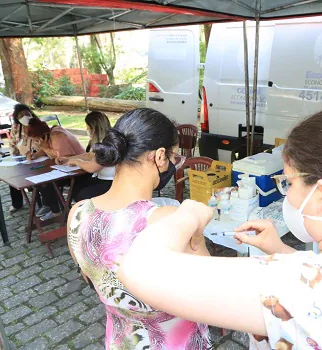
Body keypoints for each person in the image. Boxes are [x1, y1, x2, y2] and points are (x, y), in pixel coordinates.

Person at [114, 107, 322, 349]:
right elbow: (319, 288)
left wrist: (186, 212)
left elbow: (140, 269)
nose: (287, 193)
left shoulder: (297, 284)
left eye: (289, 182)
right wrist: (281, 252)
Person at [66, 108, 211, 349]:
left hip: (122, 340)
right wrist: (195, 223)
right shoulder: (172, 221)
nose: (173, 164)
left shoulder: (77, 213)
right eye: (174, 158)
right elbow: (208, 294)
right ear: (160, 156)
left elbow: (93, 278)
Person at [27, 118, 85, 221]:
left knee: (46, 183)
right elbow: (49, 150)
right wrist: (36, 154)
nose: (36, 143)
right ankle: (55, 208)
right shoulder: (50, 135)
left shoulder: (57, 135)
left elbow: (62, 156)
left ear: (43, 136)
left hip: (79, 170)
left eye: (36, 140)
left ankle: (57, 211)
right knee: (40, 182)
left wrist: (44, 148)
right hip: (68, 167)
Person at [56, 111, 114, 202]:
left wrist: (77, 161)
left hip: (110, 181)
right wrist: (68, 159)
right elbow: (90, 155)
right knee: (76, 189)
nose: (87, 129)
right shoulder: (103, 140)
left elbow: (92, 167)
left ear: (94, 128)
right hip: (101, 178)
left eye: (88, 127)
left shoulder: (107, 143)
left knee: (82, 195)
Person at [7, 104, 45, 214]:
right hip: (21, 158)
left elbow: (42, 145)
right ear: (17, 118)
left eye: (26, 114)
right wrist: (15, 157)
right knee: (13, 176)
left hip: (37, 158)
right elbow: (12, 144)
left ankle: (42, 203)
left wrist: (34, 155)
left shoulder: (38, 125)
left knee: (37, 175)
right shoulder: (16, 128)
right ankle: (17, 203)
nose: (25, 116)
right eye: (21, 115)